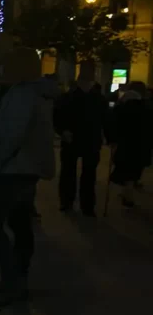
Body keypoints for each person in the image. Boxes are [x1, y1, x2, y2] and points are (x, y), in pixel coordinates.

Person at [0, 47, 58, 308]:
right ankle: (16, 280)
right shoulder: (34, 92)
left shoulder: (23, 94)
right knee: (19, 224)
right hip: (25, 170)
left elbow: (13, 134)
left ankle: (13, 281)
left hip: (14, 170)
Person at [53, 62, 108, 215]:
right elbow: (57, 117)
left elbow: (107, 120)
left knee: (87, 174)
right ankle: (69, 201)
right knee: (70, 172)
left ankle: (85, 204)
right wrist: (63, 131)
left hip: (90, 140)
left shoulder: (97, 99)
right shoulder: (69, 97)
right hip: (74, 139)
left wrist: (111, 136)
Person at [106, 81, 153, 208]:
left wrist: (111, 139)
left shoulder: (122, 106)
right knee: (133, 171)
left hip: (125, 144)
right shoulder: (147, 106)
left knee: (127, 170)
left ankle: (128, 195)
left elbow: (112, 123)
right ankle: (128, 195)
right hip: (142, 145)